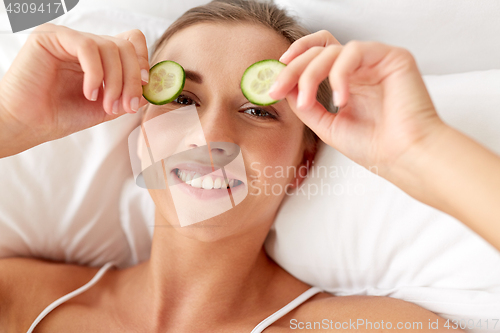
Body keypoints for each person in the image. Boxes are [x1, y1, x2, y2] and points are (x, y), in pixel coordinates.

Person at [0, 0, 498, 331]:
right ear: (139, 135)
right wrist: (11, 124)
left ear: (303, 164)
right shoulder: (19, 299)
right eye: (183, 99)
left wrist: (420, 148)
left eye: (258, 111)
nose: (211, 137)